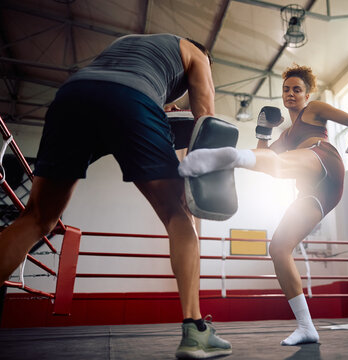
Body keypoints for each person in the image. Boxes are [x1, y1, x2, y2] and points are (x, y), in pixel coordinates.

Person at [0, 34, 231, 359]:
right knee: (177, 212)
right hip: (132, 100)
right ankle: (195, 330)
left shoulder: (131, 43)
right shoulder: (196, 53)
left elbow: (112, 86)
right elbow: (205, 122)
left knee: (37, 217)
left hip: (71, 96)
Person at [178, 64, 348, 346]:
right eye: (286, 89)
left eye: (297, 89)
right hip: (313, 193)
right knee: (279, 248)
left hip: (325, 162)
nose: (291, 94)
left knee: (281, 165)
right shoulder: (286, 135)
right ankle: (307, 327)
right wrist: (263, 130)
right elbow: (262, 156)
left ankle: (227, 157)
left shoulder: (314, 110)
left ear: (307, 95)